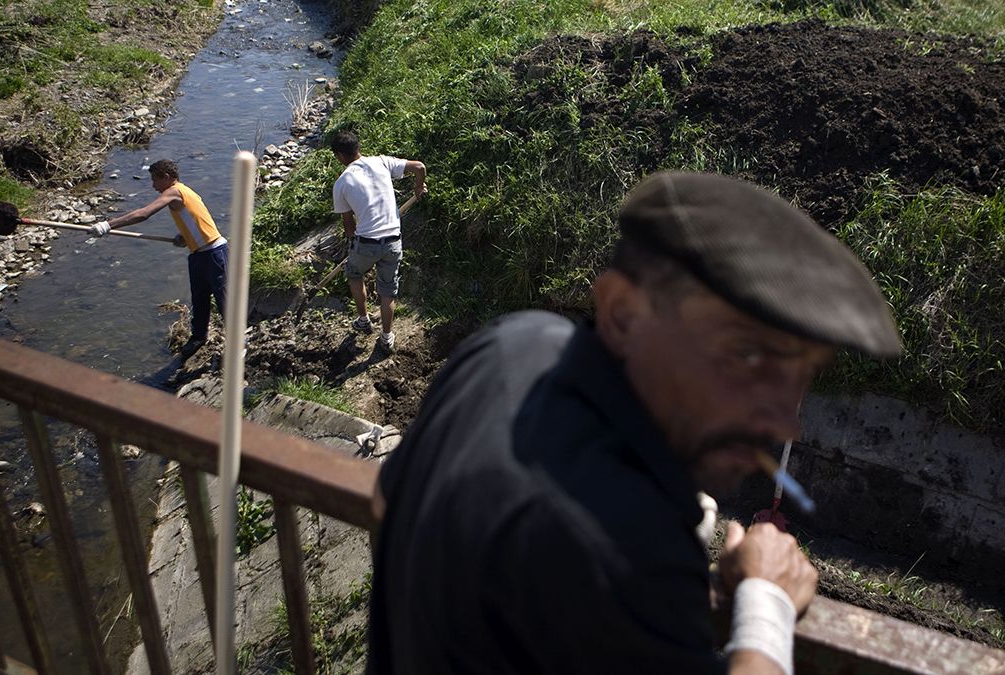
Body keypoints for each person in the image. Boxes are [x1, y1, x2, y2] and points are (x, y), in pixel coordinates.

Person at [367, 172, 902, 674]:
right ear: (622, 313)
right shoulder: (626, 554)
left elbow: (386, 499)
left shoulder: (512, 342)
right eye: (748, 357)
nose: (786, 425)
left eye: (801, 377)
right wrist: (768, 602)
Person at [89, 159, 227, 359]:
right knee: (199, 299)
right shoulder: (183, 193)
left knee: (224, 299)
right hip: (198, 254)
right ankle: (198, 338)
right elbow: (196, 219)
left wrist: (108, 225)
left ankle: (238, 343)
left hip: (214, 251)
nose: (153, 186)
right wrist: (185, 237)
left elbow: (144, 214)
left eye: (155, 180)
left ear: (167, 177)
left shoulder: (175, 191)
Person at [329, 130, 426, 353]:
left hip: (366, 243)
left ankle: (363, 319)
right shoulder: (382, 162)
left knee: (354, 274)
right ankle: (387, 336)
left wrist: (353, 242)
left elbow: (348, 225)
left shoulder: (341, 183)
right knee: (387, 290)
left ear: (339, 156)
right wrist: (418, 187)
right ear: (358, 147)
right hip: (393, 241)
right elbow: (419, 167)